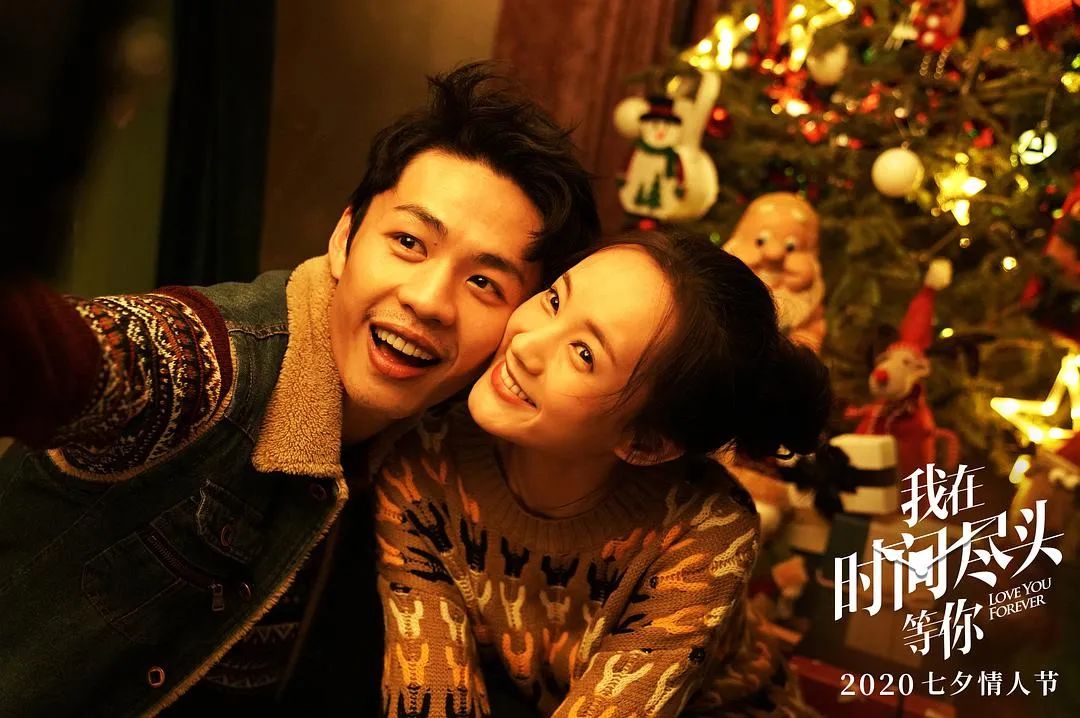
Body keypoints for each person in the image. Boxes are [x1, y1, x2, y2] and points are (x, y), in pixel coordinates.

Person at [0, 63, 598, 716]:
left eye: (484, 282)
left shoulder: (432, 456)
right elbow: (80, 356)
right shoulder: (216, 362)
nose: (429, 300)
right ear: (344, 239)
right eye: (408, 242)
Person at [373, 229, 832, 717]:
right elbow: (431, 692)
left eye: (584, 354)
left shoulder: (704, 529)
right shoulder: (422, 464)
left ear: (646, 443)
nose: (526, 345)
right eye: (554, 300)